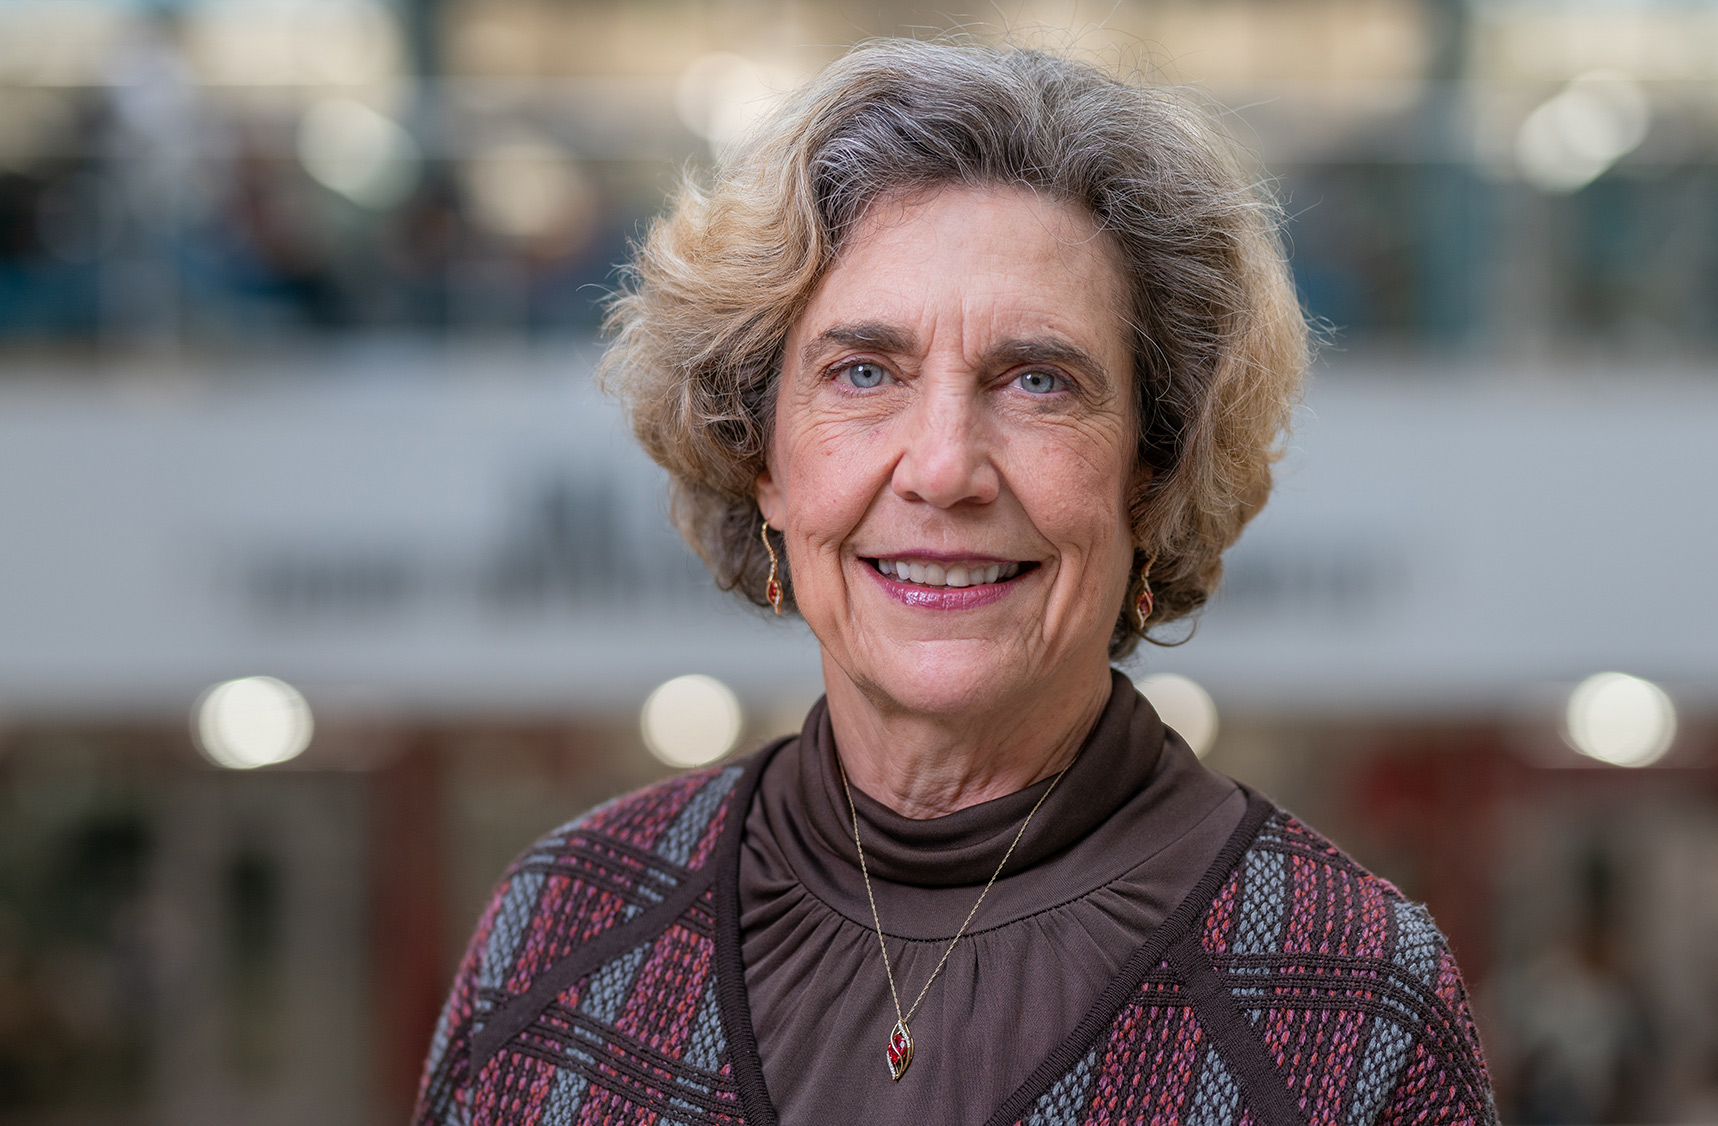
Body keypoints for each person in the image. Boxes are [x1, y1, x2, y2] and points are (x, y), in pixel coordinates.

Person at [415, 39, 1495, 1126]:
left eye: (1036, 380)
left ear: (1150, 471)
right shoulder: (561, 930)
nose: (941, 468)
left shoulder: (1349, 1001)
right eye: (863, 372)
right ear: (761, 458)